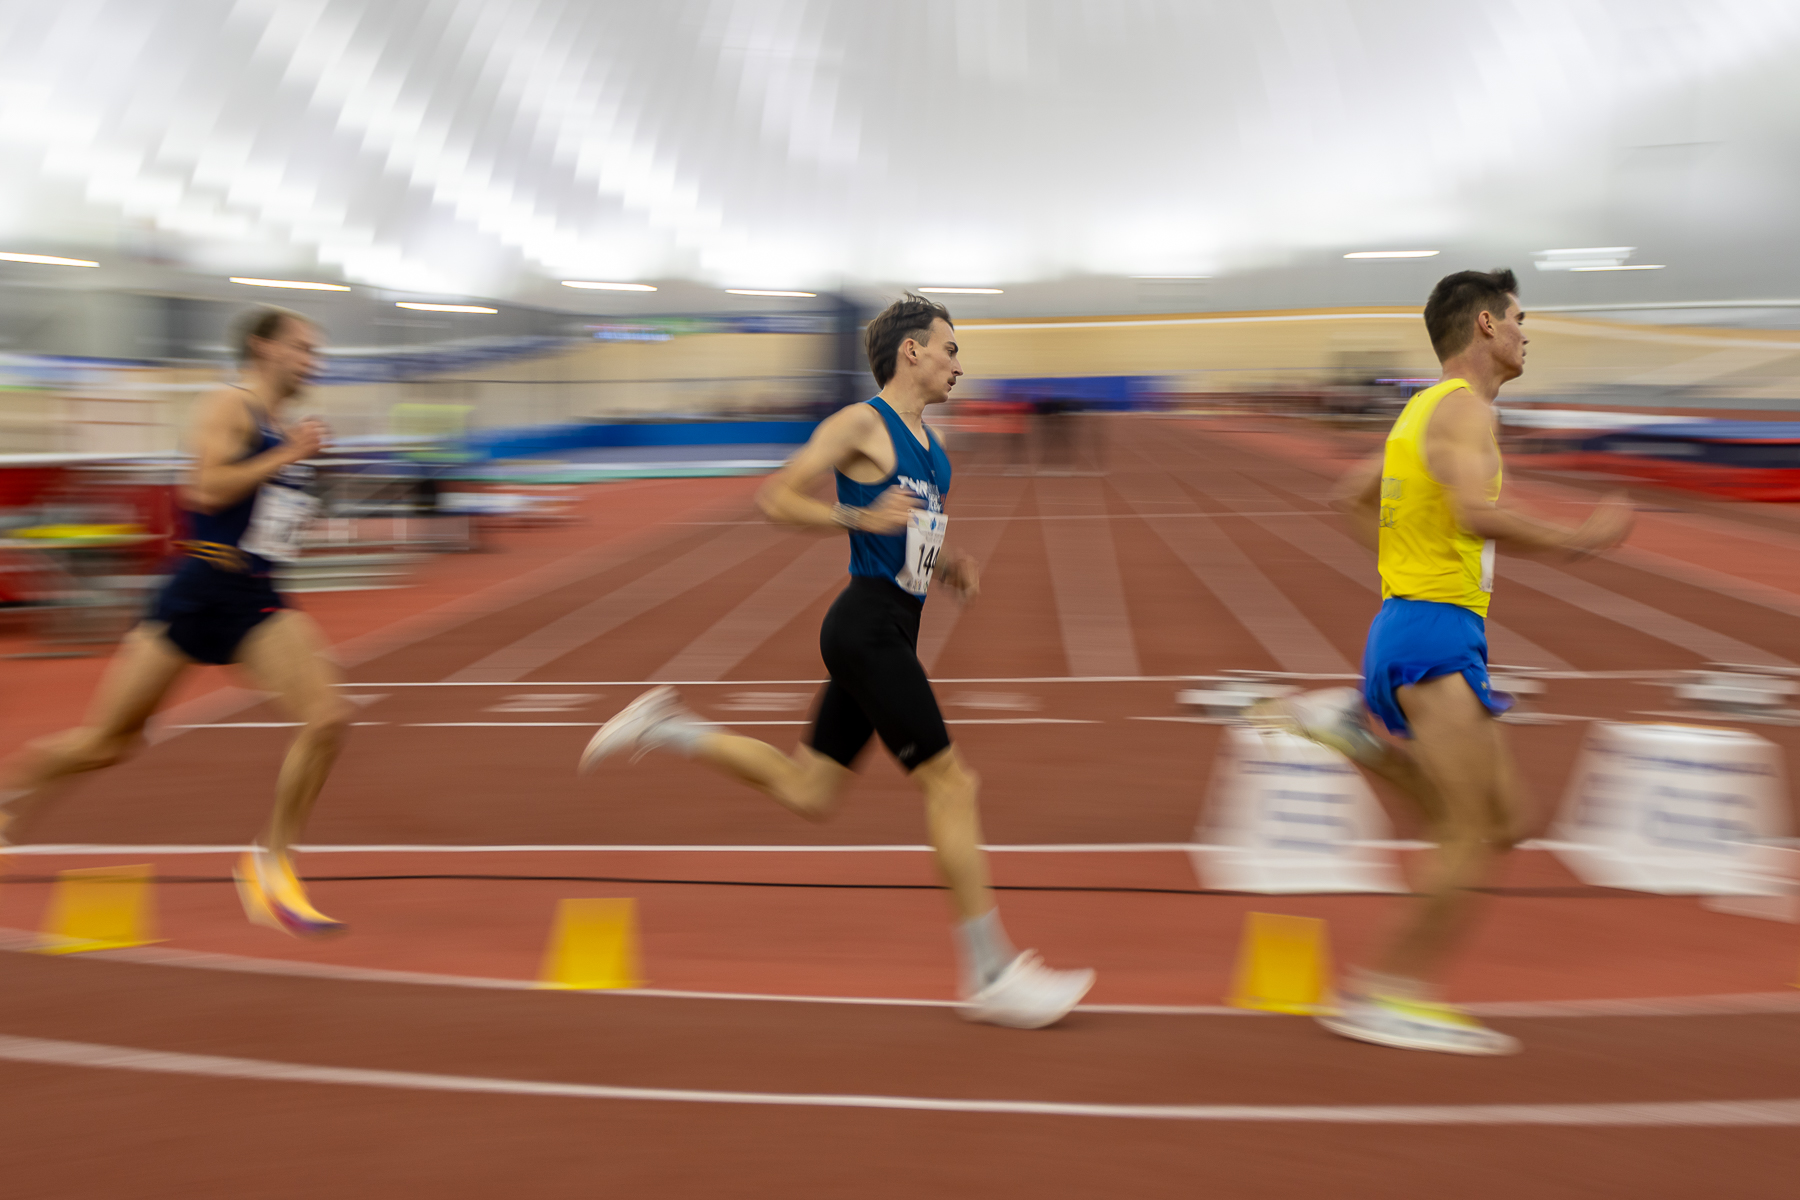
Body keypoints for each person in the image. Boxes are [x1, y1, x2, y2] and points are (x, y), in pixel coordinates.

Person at [580, 294, 1095, 1028]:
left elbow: (909, 541)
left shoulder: (934, 450)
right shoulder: (862, 424)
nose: (959, 364)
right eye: (950, 348)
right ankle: (990, 974)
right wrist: (856, 515)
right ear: (912, 351)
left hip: (891, 629)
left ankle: (667, 727)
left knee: (809, 792)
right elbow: (776, 497)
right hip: (864, 630)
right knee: (952, 784)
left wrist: (947, 565)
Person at [1264, 269, 1632, 1054]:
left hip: (1418, 624)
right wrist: (1577, 540)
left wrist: (1406, 576)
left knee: (1501, 823)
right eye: (1520, 318)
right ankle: (1386, 994)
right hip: (1432, 632)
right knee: (1468, 830)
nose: (1528, 333)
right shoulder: (1465, 410)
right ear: (1487, 326)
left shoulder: (1422, 409)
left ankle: (1355, 737)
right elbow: (1472, 511)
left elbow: (1349, 498)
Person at [0, 307, 354, 936]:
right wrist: (290, 455)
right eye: (302, 348)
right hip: (198, 591)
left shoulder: (282, 428)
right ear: (262, 347)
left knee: (327, 718)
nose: (313, 360)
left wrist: (297, 469)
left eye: (315, 350)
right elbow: (206, 490)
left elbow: (267, 515)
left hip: (256, 597)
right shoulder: (229, 403)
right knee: (108, 743)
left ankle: (271, 863)